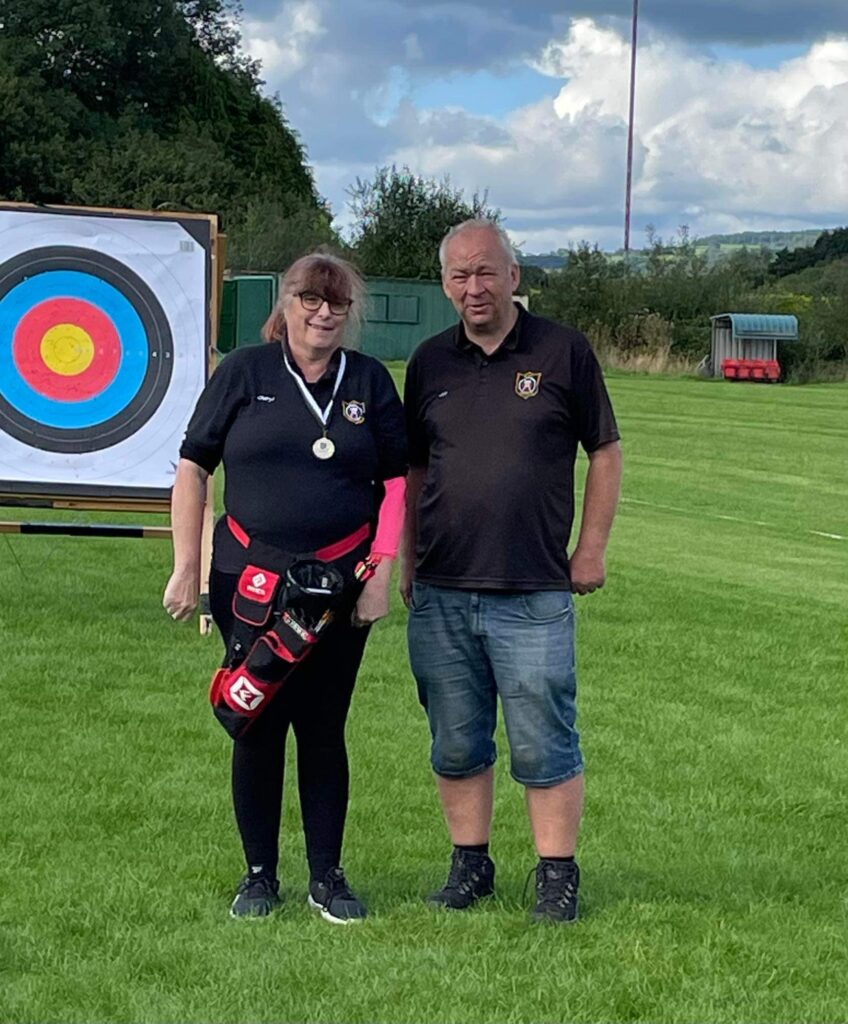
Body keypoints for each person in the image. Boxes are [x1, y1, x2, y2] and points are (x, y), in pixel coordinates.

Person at [163, 252, 406, 922]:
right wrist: (188, 564)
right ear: (286, 302)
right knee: (256, 721)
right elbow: (193, 466)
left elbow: (395, 483)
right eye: (310, 298)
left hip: (340, 581)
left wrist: (381, 571)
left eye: (336, 302)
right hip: (251, 576)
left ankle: (327, 877)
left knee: (324, 728)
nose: (323, 312)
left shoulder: (370, 382)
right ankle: (259, 876)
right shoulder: (244, 372)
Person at [401, 219, 622, 924]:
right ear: (445, 285)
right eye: (460, 276)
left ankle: (556, 874)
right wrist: (408, 560)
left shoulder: (563, 351)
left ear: (514, 276)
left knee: (544, 734)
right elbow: (412, 468)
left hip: (532, 586)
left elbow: (606, 453)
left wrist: (590, 548)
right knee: (456, 736)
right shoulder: (429, 361)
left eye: (486, 272)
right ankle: (471, 866)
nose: (474, 287)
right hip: (441, 586)